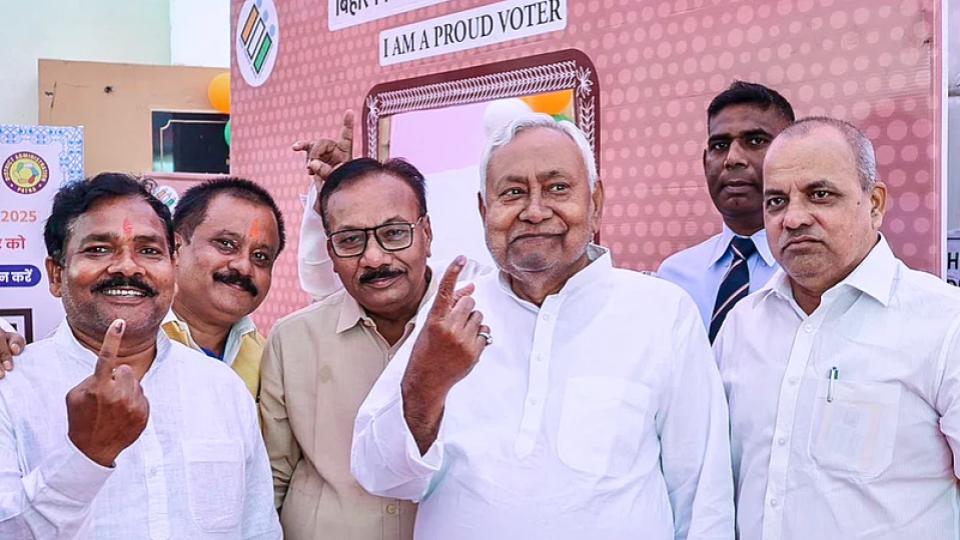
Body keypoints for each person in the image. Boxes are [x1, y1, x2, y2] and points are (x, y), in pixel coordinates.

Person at [351, 114, 734, 539]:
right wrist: (428, 383)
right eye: (513, 193)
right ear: (484, 209)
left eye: (557, 188)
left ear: (596, 201)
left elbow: (702, 499)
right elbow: (378, 473)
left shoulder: (661, 312)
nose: (534, 211)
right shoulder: (454, 313)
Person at [715, 117, 960, 539]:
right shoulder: (742, 325)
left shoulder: (944, 324)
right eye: (776, 202)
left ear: (875, 204)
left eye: (820, 195)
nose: (793, 219)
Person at [0, 173, 280, 539]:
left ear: (173, 268)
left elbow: (258, 530)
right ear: (56, 275)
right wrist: (84, 456)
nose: (128, 267)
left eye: (149, 251)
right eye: (98, 249)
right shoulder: (12, 388)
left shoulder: (221, 389)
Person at [657, 81, 793, 341]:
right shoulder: (674, 276)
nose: (733, 158)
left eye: (755, 141)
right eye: (720, 145)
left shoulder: (809, 273)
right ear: (705, 162)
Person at [163, 177, 285, 397]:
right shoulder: (133, 343)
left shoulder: (270, 363)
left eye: (260, 257)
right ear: (176, 248)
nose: (244, 267)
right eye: (226, 244)